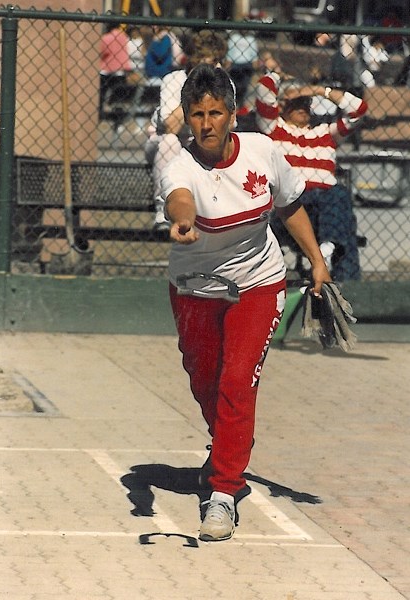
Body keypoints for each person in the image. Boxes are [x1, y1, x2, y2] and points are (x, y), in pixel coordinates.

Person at [161, 63, 331, 541]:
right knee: (205, 378)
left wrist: (316, 259)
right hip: (195, 286)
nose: (207, 122)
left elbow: (290, 205)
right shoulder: (180, 166)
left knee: (238, 380)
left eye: (216, 112)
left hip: (258, 282)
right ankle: (230, 444)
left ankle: (222, 493)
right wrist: (182, 221)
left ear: (233, 114)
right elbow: (179, 199)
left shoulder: (262, 150)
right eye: (197, 114)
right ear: (188, 118)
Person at [256, 74, 368, 280]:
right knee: (345, 220)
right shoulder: (274, 129)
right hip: (292, 204)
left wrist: (319, 90)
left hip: (326, 208)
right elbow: (264, 90)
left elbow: (358, 110)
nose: (302, 106)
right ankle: (330, 258)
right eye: (295, 102)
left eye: (306, 102)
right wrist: (279, 77)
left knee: (338, 196)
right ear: (282, 105)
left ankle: (328, 251)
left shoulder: (325, 134)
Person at [145, 30, 228, 232]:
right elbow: (171, 127)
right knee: (169, 142)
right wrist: (193, 89)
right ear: (194, 61)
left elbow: (227, 126)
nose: (215, 67)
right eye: (210, 63)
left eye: (218, 61)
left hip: (201, 145)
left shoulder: (223, 81)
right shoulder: (174, 80)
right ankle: (162, 210)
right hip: (166, 145)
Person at [99, 22, 133, 120]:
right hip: (121, 70)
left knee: (102, 94)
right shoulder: (124, 37)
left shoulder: (106, 38)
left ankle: (102, 114)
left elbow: (102, 51)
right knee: (119, 96)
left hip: (107, 70)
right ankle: (118, 115)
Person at [224, 29, 259, 113]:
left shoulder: (251, 39)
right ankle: (234, 105)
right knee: (234, 86)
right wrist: (227, 65)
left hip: (246, 64)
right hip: (236, 64)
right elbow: (230, 53)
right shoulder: (234, 38)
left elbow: (254, 54)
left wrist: (255, 65)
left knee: (244, 87)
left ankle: (241, 106)